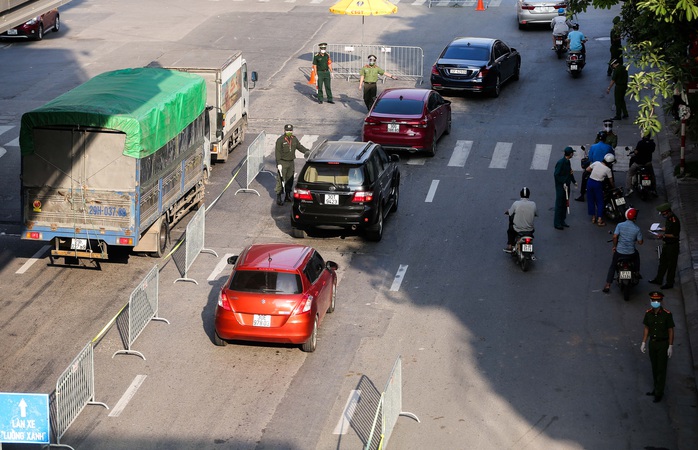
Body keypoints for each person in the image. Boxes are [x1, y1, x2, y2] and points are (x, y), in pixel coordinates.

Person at [640, 291, 675, 403]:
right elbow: (646, 328)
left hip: (663, 344)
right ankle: (656, 389)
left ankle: (659, 392)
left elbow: (670, 330)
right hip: (653, 343)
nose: (655, 302)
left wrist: (670, 345)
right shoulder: (648, 313)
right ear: (650, 301)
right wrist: (644, 342)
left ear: (661, 301)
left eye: (658, 301)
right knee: (654, 367)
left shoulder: (667, 314)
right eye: (653, 300)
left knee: (661, 369)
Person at [603, 207, 643, 293]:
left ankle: (607, 285)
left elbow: (614, 237)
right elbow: (640, 242)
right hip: (631, 253)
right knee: (637, 255)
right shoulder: (637, 229)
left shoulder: (620, 225)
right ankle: (636, 272)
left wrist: (614, 246)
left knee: (613, 266)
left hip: (619, 252)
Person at [275, 124, 310, 206]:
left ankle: (287, 195)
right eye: (287, 130)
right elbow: (278, 153)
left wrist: (307, 151)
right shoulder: (280, 140)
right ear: (284, 130)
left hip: (291, 162)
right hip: (283, 162)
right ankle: (279, 196)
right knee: (280, 180)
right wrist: (279, 163)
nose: (289, 132)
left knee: (290, 179)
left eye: (290, 130)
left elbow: (300, 147)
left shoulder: (294, 139)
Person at [649, 203, 681, 289]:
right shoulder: (669, 219)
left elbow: (675, 235)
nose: (662, 215)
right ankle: (658, 279)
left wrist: (663, 236)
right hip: (667, 244)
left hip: (672, 246)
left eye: (662, 213)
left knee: (671, 265)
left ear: (666, 212)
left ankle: (669, 283)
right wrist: (659, 229)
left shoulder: (674, 220)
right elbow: (668, 228)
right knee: (663, 263)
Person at [576, 131, 614, 202]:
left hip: (594, 166)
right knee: (611, 176)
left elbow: (590, 158)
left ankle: (582, 195)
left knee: (584, 176)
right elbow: (612, 156)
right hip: (606, 167)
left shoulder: (593, 146)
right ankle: (613, 191)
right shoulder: (609, 147)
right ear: (605, 138)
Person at [504, 187, 537, 253]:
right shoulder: (533, 204)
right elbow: (536, 214)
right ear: (529, 195)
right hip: (529, 230)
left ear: (520, 194)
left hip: (517, 229)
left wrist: (507, 212)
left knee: (510, 229)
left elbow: (510, 212)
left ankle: (510, 246)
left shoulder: (516, 203)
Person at [586, 153, 615, 226]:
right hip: (598, 184)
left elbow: (587, 169)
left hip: (590, 182)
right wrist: (613, 187)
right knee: (600, 201)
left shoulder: (596, 163)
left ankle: (593, 217)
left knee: (591, 200)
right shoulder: (608, 170)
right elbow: (611, 181)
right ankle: (599, 219)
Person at [553, 147, 577, 230]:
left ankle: (562, 220)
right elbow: (556, 175)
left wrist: (574, 181)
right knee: (559, 204)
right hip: (561, 187)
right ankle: (557, 223)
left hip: (567, 186)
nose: (573, 154)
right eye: (572, 153)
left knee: (565, 203)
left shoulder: (568, 162)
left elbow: (570, 172)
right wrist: (563, 182)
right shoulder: (561, 162)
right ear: (570, 154)